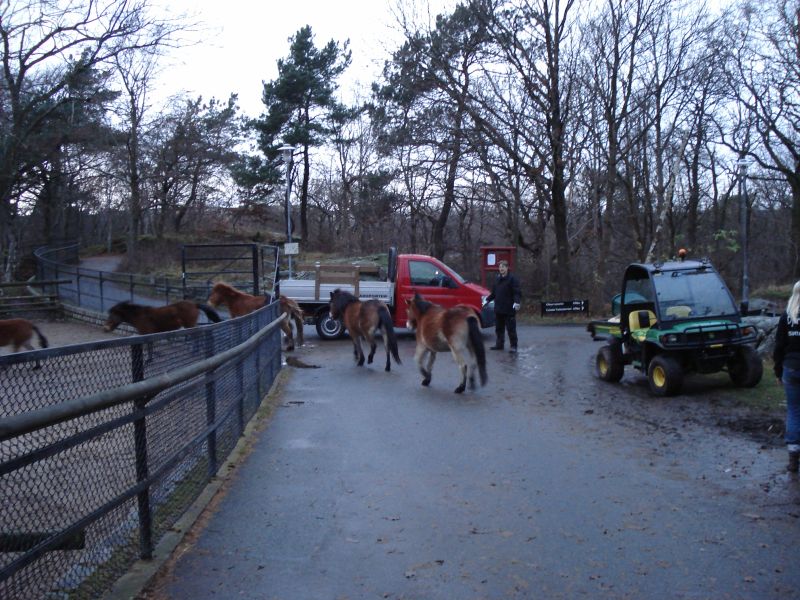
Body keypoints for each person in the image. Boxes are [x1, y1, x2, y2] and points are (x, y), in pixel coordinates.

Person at [773, 280, 800, 473]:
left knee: (794, 411)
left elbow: (779, 346)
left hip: (790, 368)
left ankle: (793, 458)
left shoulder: (786, 317)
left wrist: (777, 371)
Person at [484, 259, 522, 353]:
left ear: (507, 268)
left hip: (509, 309)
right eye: (500, 267)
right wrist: (487, 300)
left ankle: (513, 346)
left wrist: (517, 302)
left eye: (503, 267)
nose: (501, 269)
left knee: (511, 329)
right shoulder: (497, 279)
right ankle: (499, 344)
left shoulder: (512, 279)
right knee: (499, 329)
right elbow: (494, 293)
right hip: (499, 309)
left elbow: (516, 292)